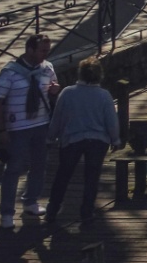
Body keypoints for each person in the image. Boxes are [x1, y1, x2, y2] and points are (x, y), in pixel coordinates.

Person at [0, 35, 58, 229]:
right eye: (42, 50)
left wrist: (54, 92)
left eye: (47, 50)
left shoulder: (48, 68)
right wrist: (1, 129)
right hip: (17, 127)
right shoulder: (10, 72)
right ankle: (7, 212)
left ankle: (31, 201)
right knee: (13, 169)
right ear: (29, 50)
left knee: (39, 165)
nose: (46, 53)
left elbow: (52, 93)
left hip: (41, 125)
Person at [46, 68, 121, 225]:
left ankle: (52, 210)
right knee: (91, 178)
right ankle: (86, 212)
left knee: (63, 175)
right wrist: (115, 140)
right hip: (97, 140)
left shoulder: (67, 92)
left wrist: (51, 137)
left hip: (72, 139)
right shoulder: (104, 95)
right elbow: (111, 121)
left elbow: (57, 117)